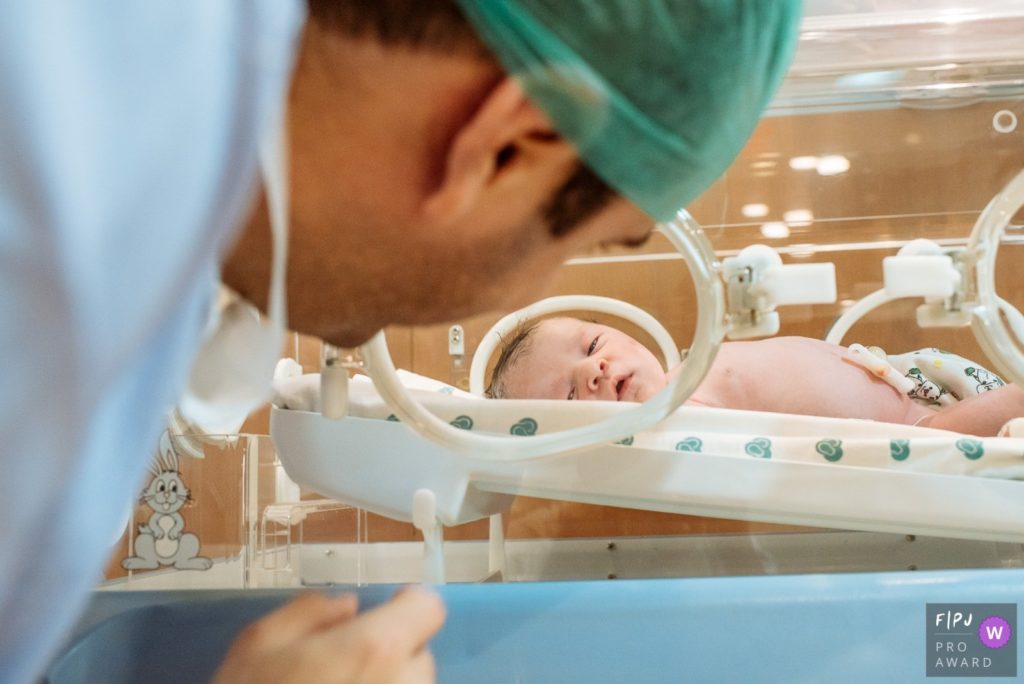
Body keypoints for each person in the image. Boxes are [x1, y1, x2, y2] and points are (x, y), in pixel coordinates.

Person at [0, 1, 802, 682]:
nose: (532, 294)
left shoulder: (145, 138)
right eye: (586, 247)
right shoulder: (45, 282)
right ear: (506, 146)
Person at [486, 317, 1024, 437]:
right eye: (569, 391)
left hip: (911, 376)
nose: (594, 369)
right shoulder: (675, 420)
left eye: (593, 344)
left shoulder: (684, 377)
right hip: (922, 428)